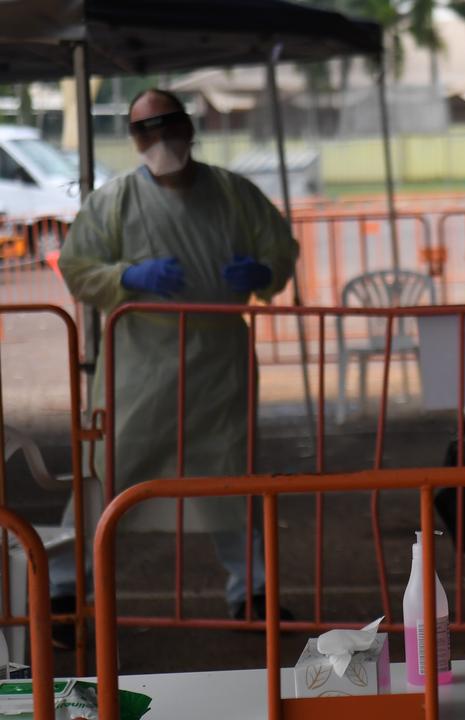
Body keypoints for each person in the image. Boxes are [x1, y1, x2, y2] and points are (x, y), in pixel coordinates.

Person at [57, 88, 299, 625]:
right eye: (146, 128)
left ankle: (252, 591)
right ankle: (63, 586)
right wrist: (125, 276)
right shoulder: (113, 202)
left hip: (218, 358)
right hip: (141, 358)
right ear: (133, 138)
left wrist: (263, 272)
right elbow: (77, 266)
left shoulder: (235, 194)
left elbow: (279, 248)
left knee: (231, 473)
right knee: (110, 467)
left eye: (169, 123)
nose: (160, 137)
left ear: (189, 127)